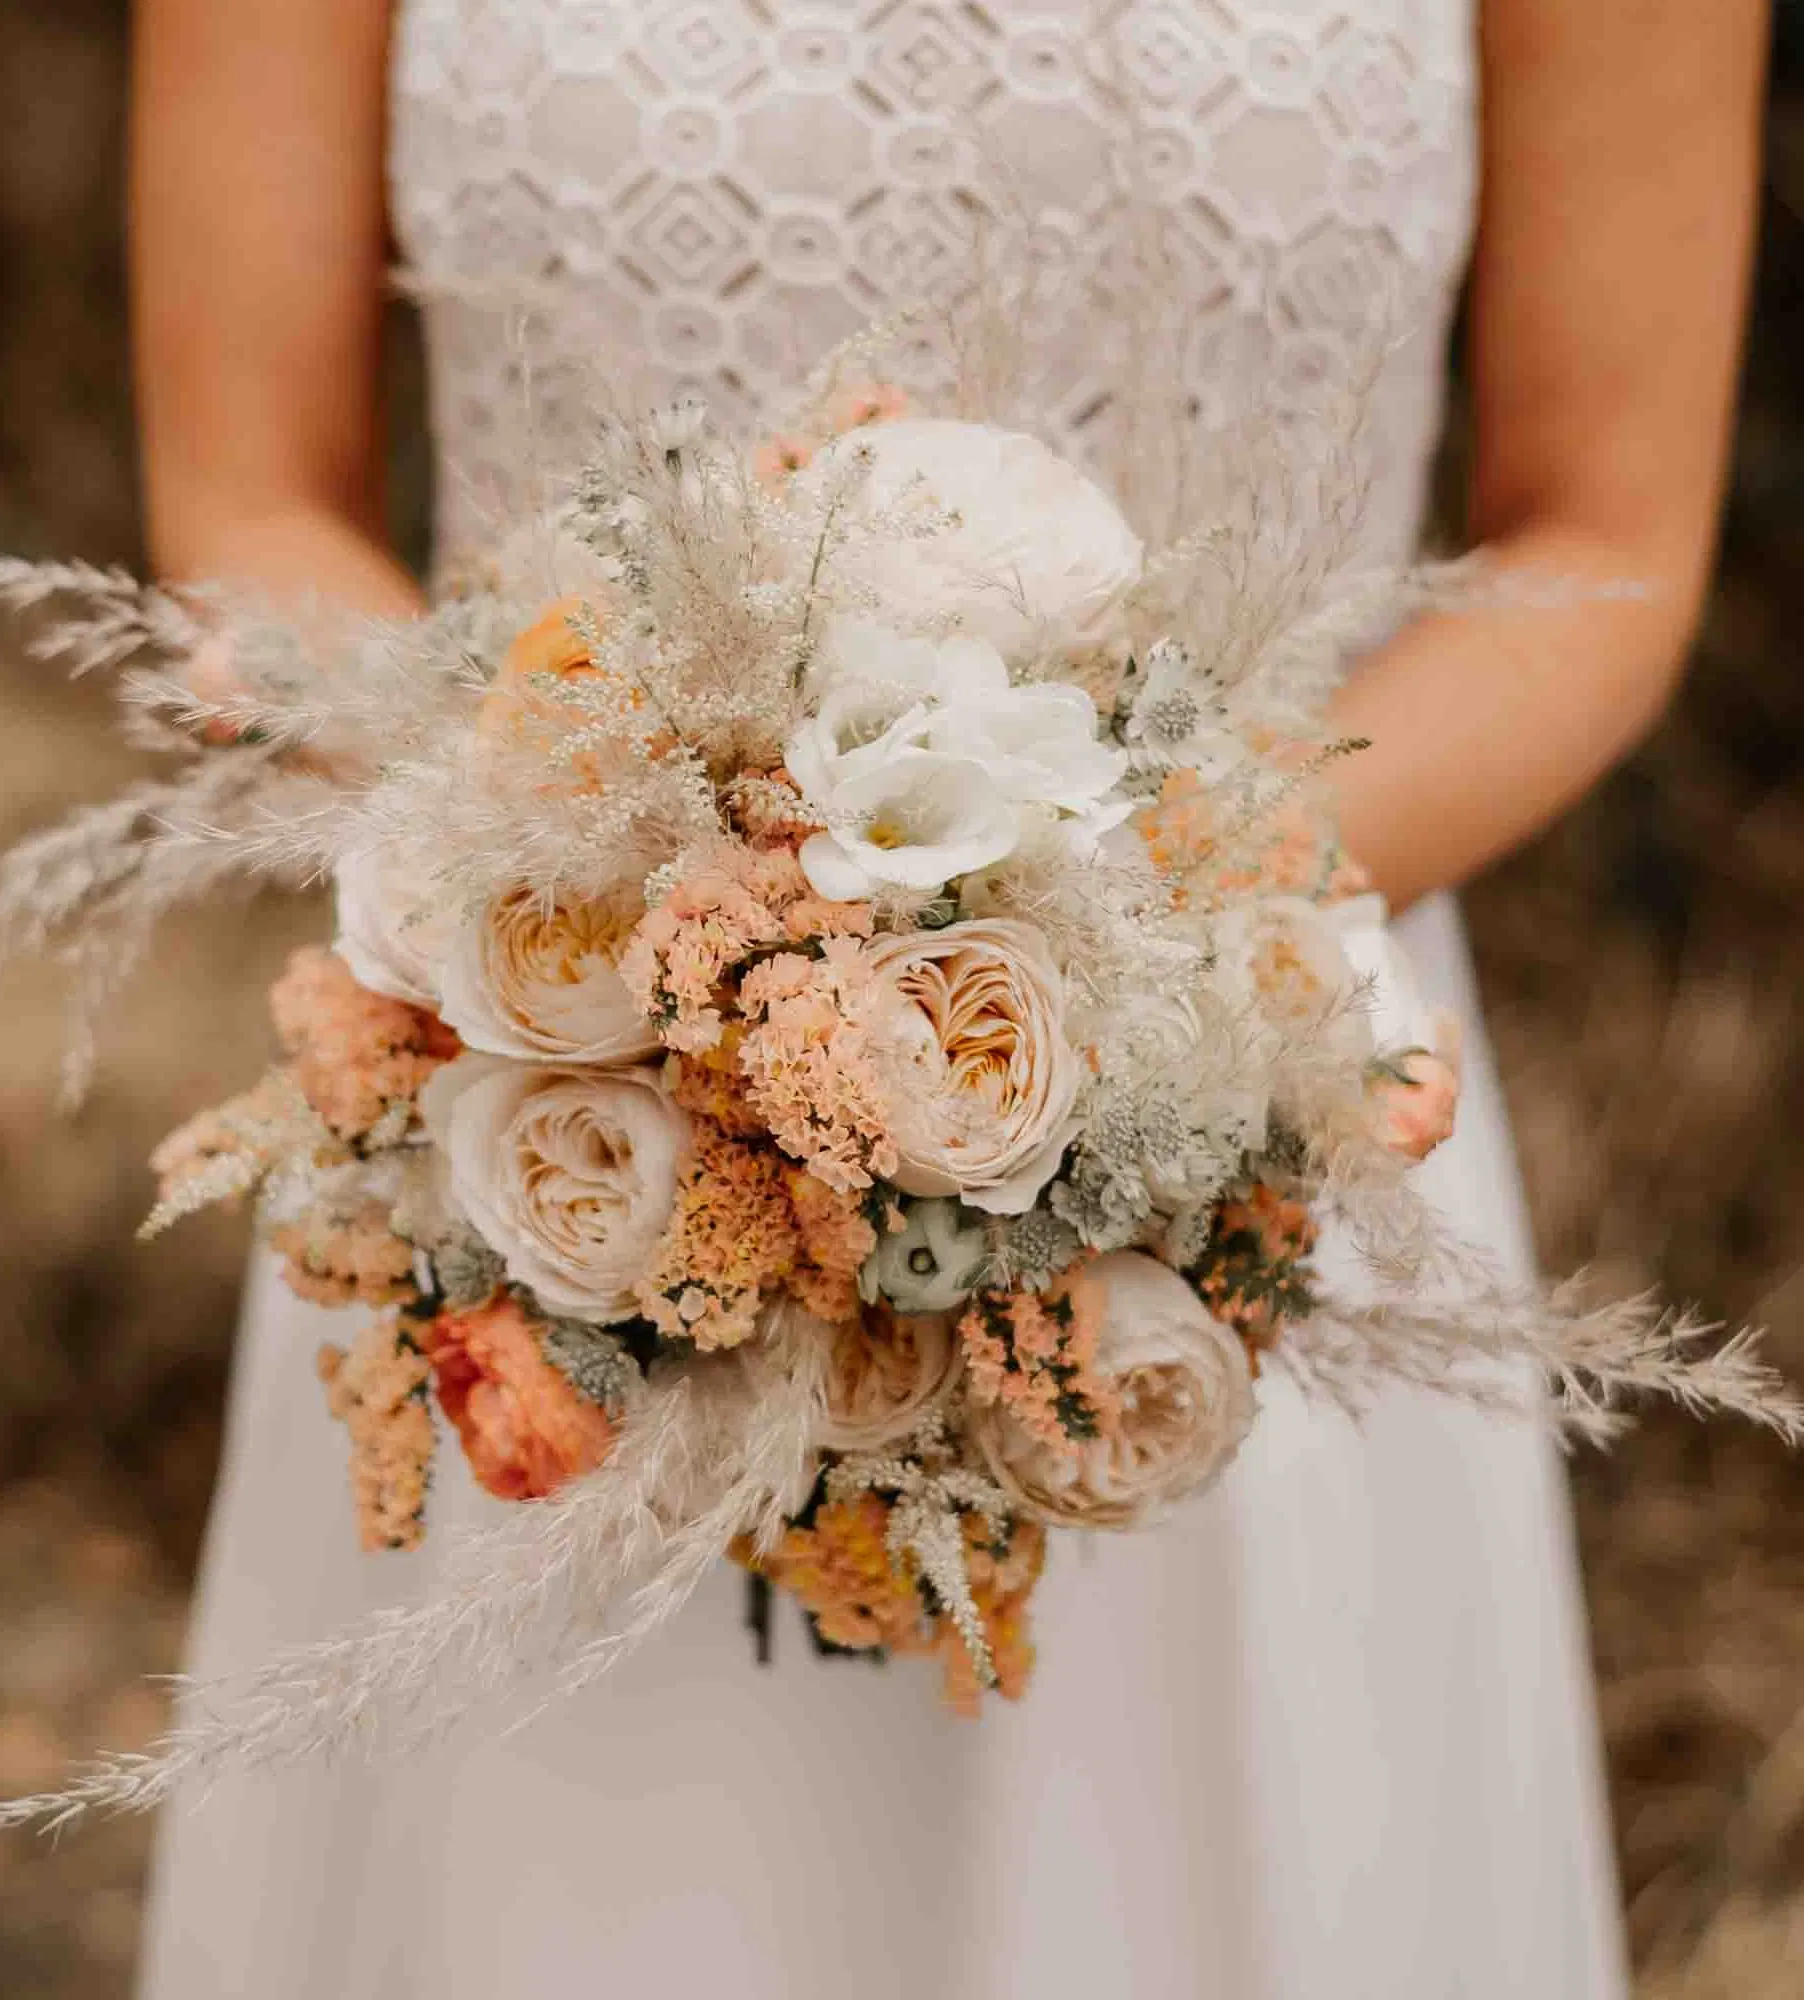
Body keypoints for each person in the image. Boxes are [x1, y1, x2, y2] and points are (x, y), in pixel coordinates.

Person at [131, 4, 1768, 1994]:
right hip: (550, 1150)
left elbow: (1597, 540)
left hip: (1253, 1155)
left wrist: (1116, 973)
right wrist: (657, 953)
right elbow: (249, 502)